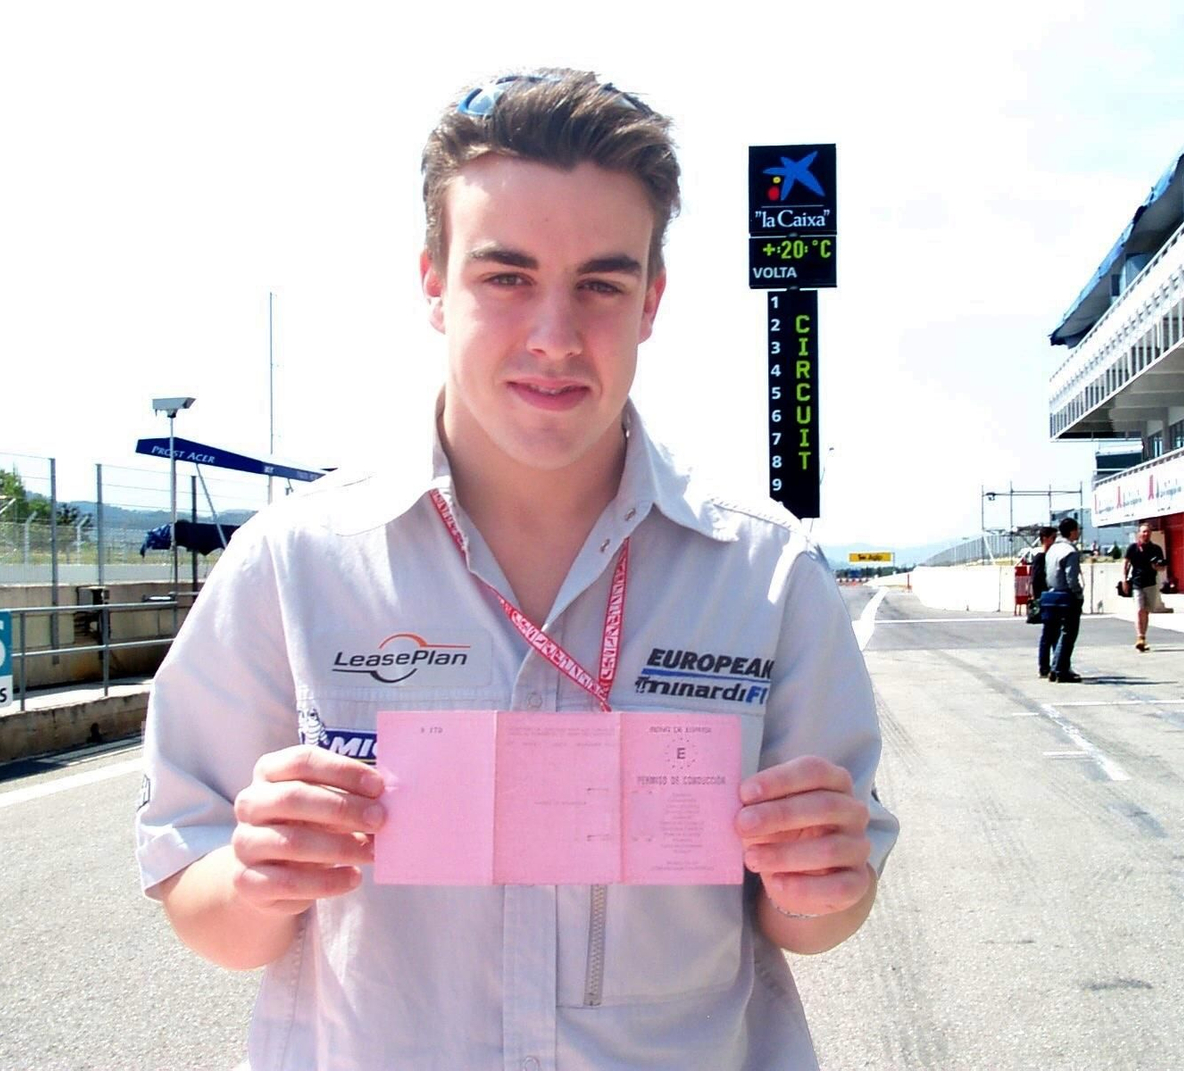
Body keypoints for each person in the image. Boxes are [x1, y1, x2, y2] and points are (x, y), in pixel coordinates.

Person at [135, 69, 897, 1070]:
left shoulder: (763, 573)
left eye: (600, 284)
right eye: (506, 277)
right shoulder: (297, 562)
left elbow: (815, 920)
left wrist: (825, 886)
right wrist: (255, 878)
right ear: (432, 286)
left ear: (650, 301)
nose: (554, 335)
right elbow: (200, 902)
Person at [1040, 517, 1083, 683]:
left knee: (1056, 634)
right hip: (1066, 595)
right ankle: (1060, 669)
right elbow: (1071, 578)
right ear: (1072, 531)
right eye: (1077, 529)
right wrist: (1078, 594)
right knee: (1068, 633)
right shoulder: (1070, 551)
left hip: (1051, 594)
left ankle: (1055, 667)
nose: (1078, 532)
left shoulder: (1052, 550)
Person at [1122, 521, 1166, 651]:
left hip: (1151, 583)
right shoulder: (1133, 548)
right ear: (1139, 533)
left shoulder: (1156, 549)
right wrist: (1124, 580)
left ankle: (1143, 637)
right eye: (1143, 531)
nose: (1146, 534)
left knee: (1146, 611)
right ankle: (1139, 636)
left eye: (1148, 532)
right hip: (1137, 583)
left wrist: (1156, 567)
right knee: (1139, 609)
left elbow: (1162, 567)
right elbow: (1126, 564)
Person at [1030, 525, 1056, 674]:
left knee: (1052, 633)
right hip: (1045, 598)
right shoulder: (1041, 558)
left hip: (1050, 597)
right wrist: (1038, 599)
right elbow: (1036, 580)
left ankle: (1052, 664)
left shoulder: (1051, 557)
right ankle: (1045, 666)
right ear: (1045, 539)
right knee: (1049, 633)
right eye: (1053, 538)